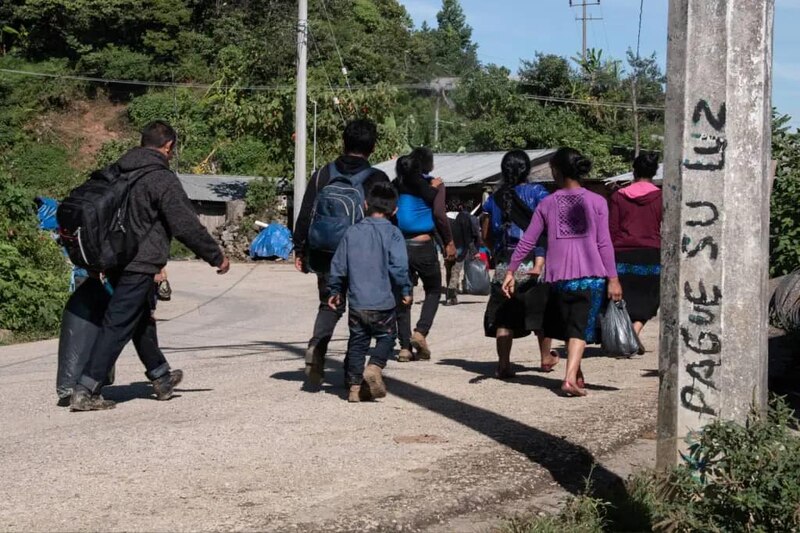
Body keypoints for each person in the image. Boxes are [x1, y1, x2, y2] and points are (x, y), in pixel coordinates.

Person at [70, 121, 231, 411]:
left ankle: (161, 376)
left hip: (116, 258)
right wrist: (215, 256)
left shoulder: (118, 171)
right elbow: (185, 225)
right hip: (139, 263)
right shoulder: (160, 178)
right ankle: (86, 388)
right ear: (168, 147)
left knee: (141, 319)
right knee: (118, 323)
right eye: (172, 150)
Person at [503, 147, 622, 397]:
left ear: (556, 171)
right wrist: (613, 278)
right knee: (578, 328)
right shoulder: (597, 201)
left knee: (570, 326)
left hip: (558, 279)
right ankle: (569, 379)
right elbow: (604, 243)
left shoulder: (547, 203)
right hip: (591, 276)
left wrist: (511, 269)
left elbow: (528, 240)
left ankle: (575, 374)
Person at [293, 119, 391, 386]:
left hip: (324, 252)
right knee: (360, 311)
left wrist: (299, 248)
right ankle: (353, 373)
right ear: (372, 147)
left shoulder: (323, 173)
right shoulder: (377, 178)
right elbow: (387, 221)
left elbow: (306, 213)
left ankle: (317, 345)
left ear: (344, 143)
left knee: (330, 303)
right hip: (363, 253)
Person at [328, 183, 412, 402]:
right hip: (383, 302)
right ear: (394, 210)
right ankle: (374, 367)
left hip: (357, 302)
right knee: (387, 337)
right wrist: (405, 289)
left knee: (357, 341)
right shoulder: (394, 233)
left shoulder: (351, 232)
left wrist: (335, 290)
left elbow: (338, 265)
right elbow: (399, 266)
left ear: (365, 204)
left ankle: (354, 388)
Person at [482, 150, 557, 378]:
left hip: (506, 264)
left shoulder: (494, 197)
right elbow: (548, 228)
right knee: (541, 313)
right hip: (536, 262)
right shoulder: (539, 193)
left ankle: (503, 364)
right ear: (527, 169)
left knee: (504, 316)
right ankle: (545, 359)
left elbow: (486, 234)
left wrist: (497, 254)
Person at [393, 148, 456, 362]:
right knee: (433, 289)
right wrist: (448, 241)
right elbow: (439, 215)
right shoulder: (431, 184)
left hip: (400, 244)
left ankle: (403, 347)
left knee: (403, 293)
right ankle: (420, 332)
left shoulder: (397, 183)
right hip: (423, 244)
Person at [609, 153, 662, 354]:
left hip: (622, 253)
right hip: (651, 252)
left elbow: (612, 229)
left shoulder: (618, 196)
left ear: (634, 170)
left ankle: (629, 334)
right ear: (654, 172)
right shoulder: (661, 196)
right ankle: (633, 332)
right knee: (650, 298)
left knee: (626, 298)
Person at [444, 199, 482, 306]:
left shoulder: (443, 218)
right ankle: (451, 296)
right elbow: (468, 236)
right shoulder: (464, 217)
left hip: (446, 249)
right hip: (460, 248)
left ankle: (450, 295)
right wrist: (474, 251)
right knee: (455, 272)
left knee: (449, 271)